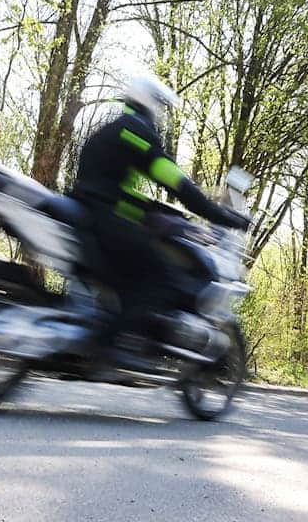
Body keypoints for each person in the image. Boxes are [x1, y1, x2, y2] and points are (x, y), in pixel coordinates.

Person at [72, 75, 249, 378]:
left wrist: (153, 212)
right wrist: (220, 214)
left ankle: (104, 333)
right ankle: (116, 347)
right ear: (150, 102)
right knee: (161, 274)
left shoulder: (111, 131)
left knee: (126, 276)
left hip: (90, 213)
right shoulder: (136, 132)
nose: (162, 115)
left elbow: (111, 187)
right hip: (103, 218)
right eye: (161, 107)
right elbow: (177, 182)